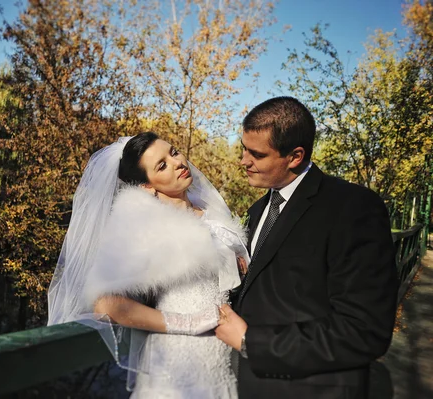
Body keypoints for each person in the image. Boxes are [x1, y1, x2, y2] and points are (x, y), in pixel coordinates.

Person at [215, 96, 398, 399]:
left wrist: (251, 342)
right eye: (243, 149)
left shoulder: (353, 208)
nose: (244, 161)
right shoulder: (257, 211)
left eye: (257, 154)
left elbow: (364, 331)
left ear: (295, 156)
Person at [47, 132, 250, 398]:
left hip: (226, 358)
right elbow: (107, 303)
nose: (178, 163)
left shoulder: (213, 216)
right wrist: (188, 323)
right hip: (176, 364)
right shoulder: (144, 227)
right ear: (146, 186)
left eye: (174, 152)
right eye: (161, 165)